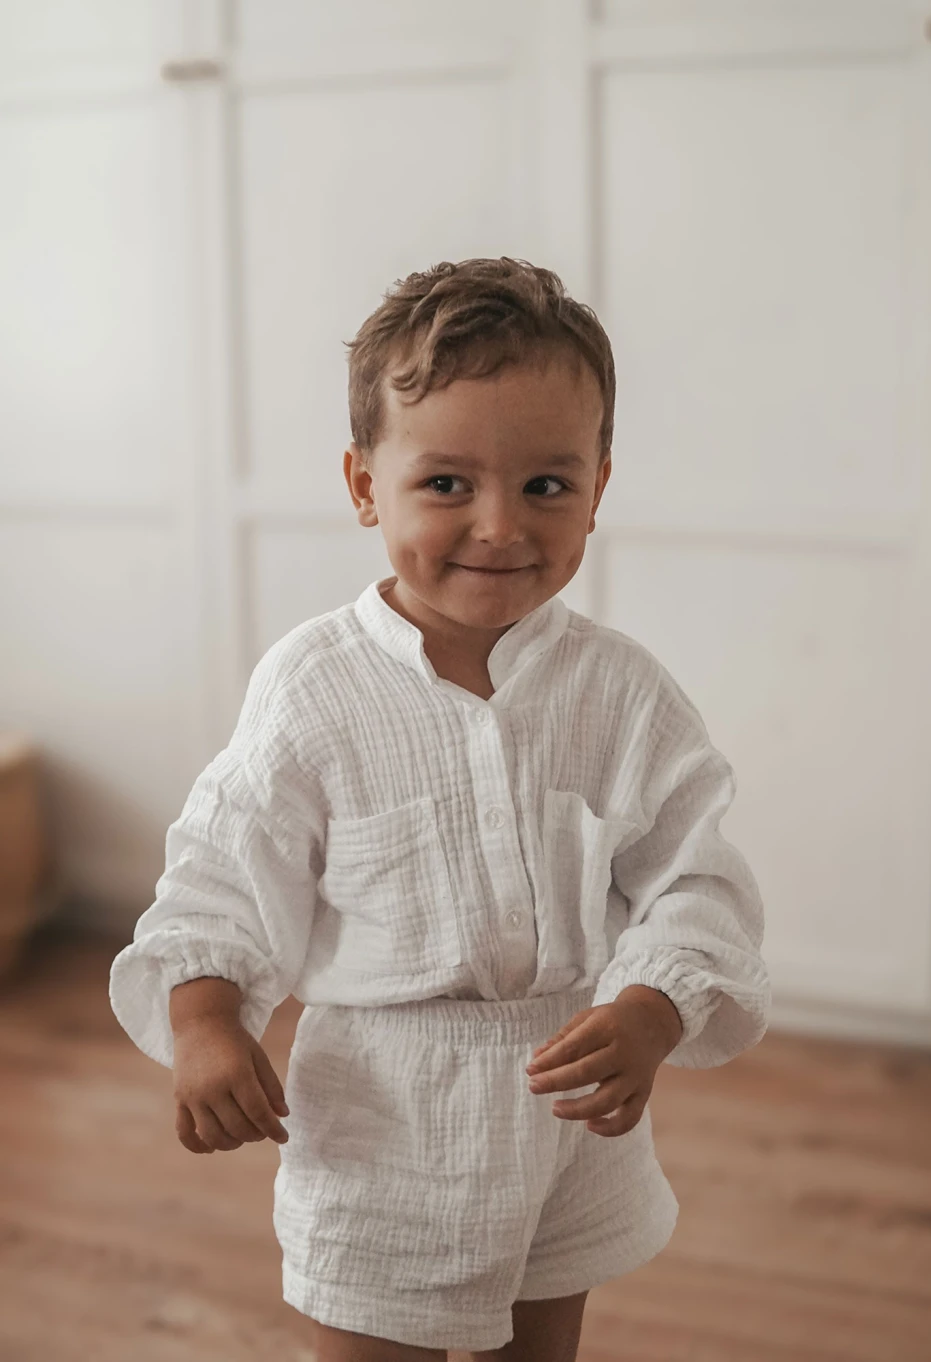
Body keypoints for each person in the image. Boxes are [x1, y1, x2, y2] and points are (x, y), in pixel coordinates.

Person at [108, 256, 771, 1362]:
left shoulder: (622, 693)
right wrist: (205, 1020)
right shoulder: (315, 689)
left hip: (569, 1116)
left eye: (546, 485)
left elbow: (695, 876)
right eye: (449, 484)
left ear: (599, 486)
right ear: (366, 484)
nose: (500, 526)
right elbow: (225, 869)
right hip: (384, 1124)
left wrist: (655, 1007)